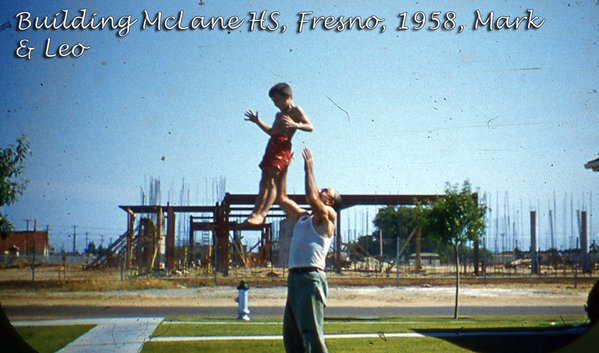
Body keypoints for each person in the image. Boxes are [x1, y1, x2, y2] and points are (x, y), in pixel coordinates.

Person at [277, 148, 341, 353]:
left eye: (327, 192)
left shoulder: (329, 216)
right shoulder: (304, 217)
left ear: (330, 202)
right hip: (295, 278)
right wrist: (284, 167)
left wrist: (309, 168)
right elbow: (281, 198)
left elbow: (313, 198)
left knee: (312, 337)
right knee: (292, 338)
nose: (322, 191)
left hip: (311, 278)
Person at [244, 82, 313, 225]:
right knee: (263, 181)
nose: (275, 104)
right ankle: (255, 212)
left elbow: (310, 126)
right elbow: (272, 132)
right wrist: (258, 122)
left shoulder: (296, 111)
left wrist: (296, 125)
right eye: (273, 101)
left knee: (272, 182)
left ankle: (262, 214)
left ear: (287, 96)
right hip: (272, 144)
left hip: (282, 146)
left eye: (277, 100)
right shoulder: (278, 115)